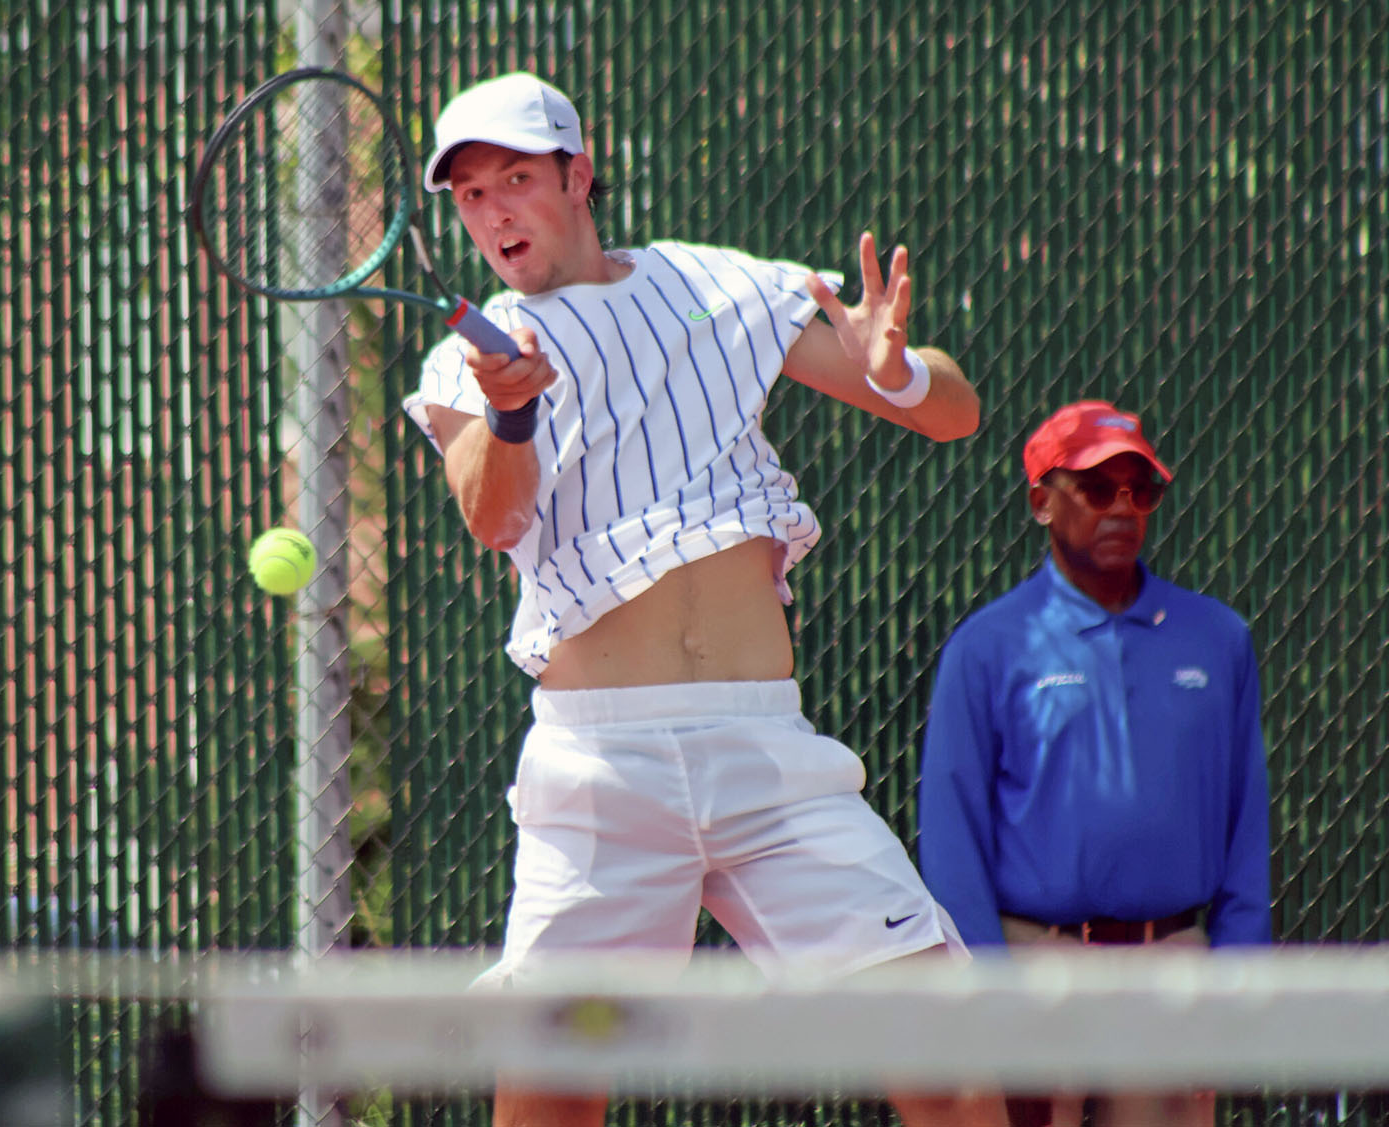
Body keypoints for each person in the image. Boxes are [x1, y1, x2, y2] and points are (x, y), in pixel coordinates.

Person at [401, 72, 1005, 1127]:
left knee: (943, 1059)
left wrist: (894, 370)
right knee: (546, 1103)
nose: (493, 211)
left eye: (515, 179)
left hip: (766, 760)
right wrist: (508, 419)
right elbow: (493, 519)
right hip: (597, 777)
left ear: (578, 177)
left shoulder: (716, 287)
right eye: (469, 194)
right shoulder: (471, 357)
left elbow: (952, 414)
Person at [916, 400, 1273, 1127]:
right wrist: (987, 993)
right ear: (1041, 501)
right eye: (1097, 485)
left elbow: (1245, 827)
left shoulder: (1217, 639)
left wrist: (1235, 978)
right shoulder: (988, 646)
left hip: (1170, 963)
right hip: (1034, 965)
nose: (1123, 505)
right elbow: (951, 840)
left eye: (1140, 489)